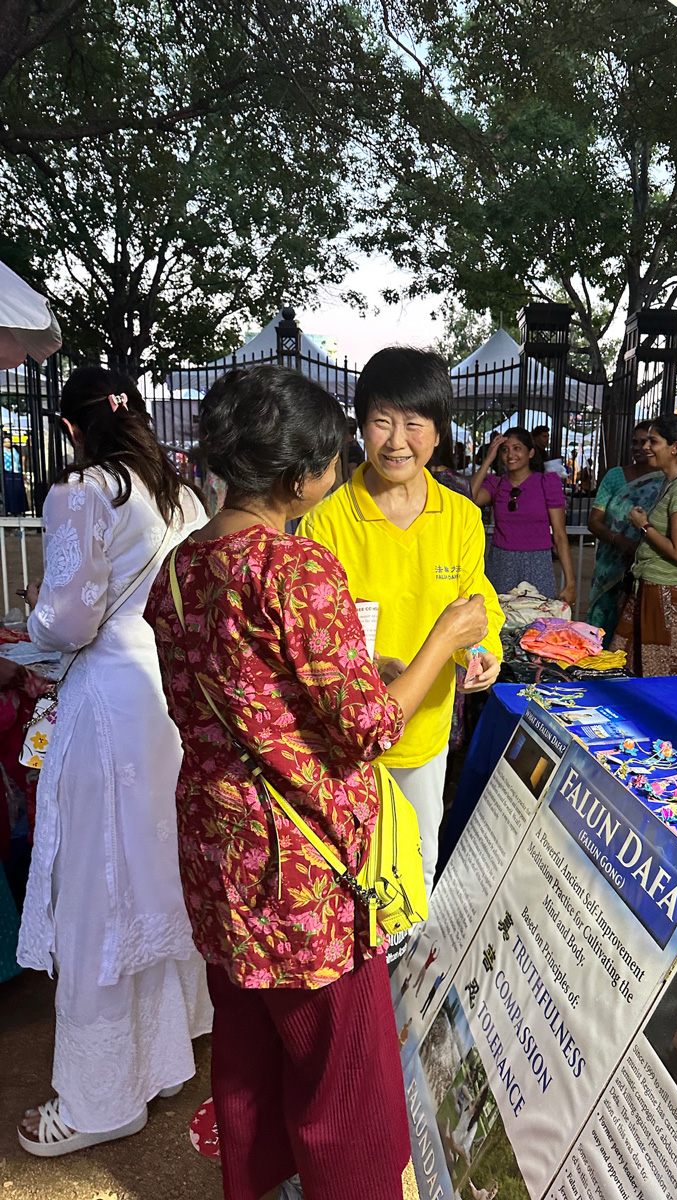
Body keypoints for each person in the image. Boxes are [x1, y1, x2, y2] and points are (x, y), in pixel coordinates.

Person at [145, 364, 489, 1200]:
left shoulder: (183, 567)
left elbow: (240, 692)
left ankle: (261, 1184)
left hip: (219, 850)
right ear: (298, 477)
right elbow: (370, 728)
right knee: (344, 1075)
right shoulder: (294, 568)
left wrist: (365, 674)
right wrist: (443, 643)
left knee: (249, 1051)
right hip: (302, 870)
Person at [16, 366, 211, 1155]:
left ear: (72, 428)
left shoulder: (83, 492)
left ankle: (100, 1099)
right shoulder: (182, 496)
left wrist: (34, 622)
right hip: (165, 695)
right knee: (155, 872)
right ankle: (164, 1056)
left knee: (98, 885)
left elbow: (67, 621)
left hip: (106, 696)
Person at [301, 348, 503, 895]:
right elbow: (316, 636)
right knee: (350, 873)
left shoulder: (460, 516)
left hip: (426, 731)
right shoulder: (326, 522)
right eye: (381, 421)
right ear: (360, 428)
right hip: (347, 738)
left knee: (417, 868)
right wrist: (370, 664)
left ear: (438, 433)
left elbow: (476, 600)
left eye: (414, 423)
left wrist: (483, 652)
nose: (396, 441)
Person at [610, 414, 677, 677]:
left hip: (668, 588)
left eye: (653, 441)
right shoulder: (670, 483)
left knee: (658, 669)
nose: (646, 447)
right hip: (653, 584)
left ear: (674, 447)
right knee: (630, 660)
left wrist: (644, 526)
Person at [471, 427, 576, 607]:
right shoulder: (496, 484)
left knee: (537, 619)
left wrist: (570, 582)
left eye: (517, 448)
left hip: (538, 564)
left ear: (531, 453)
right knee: (499, 619)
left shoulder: (546, 483)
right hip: (501, 563)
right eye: (505, 450)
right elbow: (470, 498)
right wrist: (488, 459)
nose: (510, 454)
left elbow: (559, 534)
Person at [587, 421, 664, 643]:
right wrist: (621, 541)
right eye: (635, 442)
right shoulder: (615, 476)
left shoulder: (667, 480)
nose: (640, 447)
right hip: (611, 565)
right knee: (603, 625)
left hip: (648, 565)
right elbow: (594, 522)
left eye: (647, 442)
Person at [3, 435, 27, 515]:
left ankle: (20, 509)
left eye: (8, 441)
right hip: (7, 472)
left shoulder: (15, 450)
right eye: (5, 442)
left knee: (19, 490)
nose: (7, 443)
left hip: (17, 471)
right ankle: (10, 509)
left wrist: (23, 472)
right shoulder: (2, 451)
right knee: (10, 491)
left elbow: (20, 460)